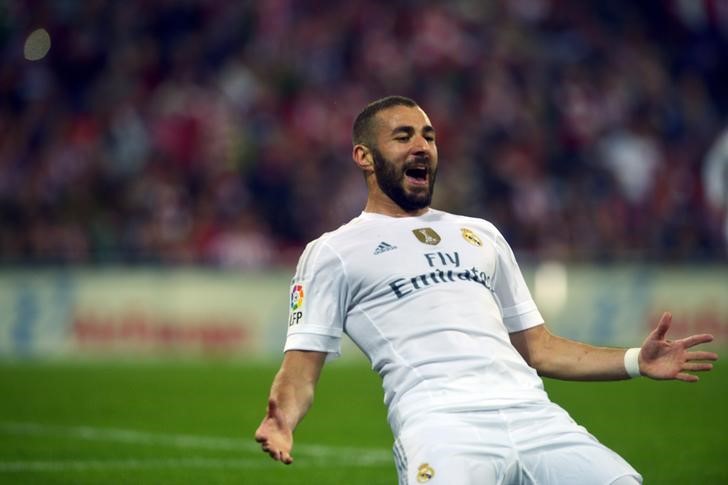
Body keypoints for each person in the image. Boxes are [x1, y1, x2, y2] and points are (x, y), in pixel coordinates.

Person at [254, 95, 719, 484]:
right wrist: (282, 419)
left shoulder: (481, 234)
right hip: (442, 424)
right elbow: (301, 369)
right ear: (364, 156)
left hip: (536, 416)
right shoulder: (333, 252)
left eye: (429, 136)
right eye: (404, 136)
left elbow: (540, 349)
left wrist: (638, 360)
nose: (422, 146)